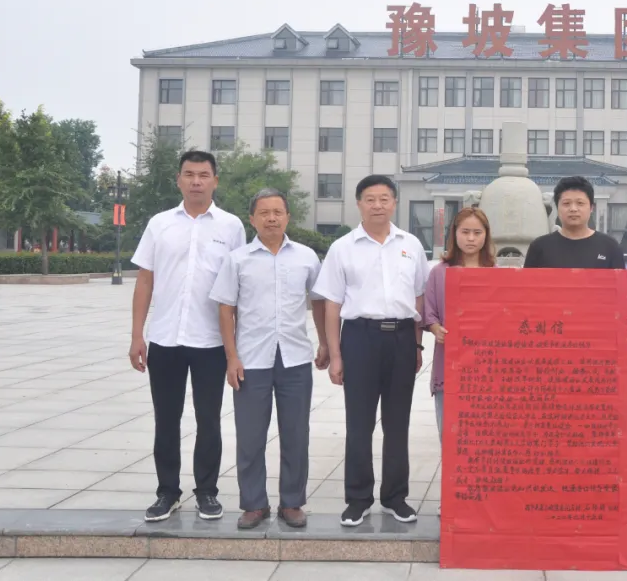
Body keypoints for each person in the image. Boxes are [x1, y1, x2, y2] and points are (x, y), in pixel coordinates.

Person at [129, 150, 246, 522]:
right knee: (166, 420)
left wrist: (235, 348)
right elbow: (144, 281)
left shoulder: (231, 227)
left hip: (211, 341)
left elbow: (239, 287)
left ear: (215, 181)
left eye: (204, 175)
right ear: (179, 179)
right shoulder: (160, 224)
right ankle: (167, 492)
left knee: (209, 420)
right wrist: (137, 336)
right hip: (165, 339)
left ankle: (207, 492)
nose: (196, 181)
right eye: (190, 174)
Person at [312, 174, 430, 527]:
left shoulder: (411, 245)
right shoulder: (343, 248)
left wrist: (417, 344)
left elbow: (419, 297)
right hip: (360, 338)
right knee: (359, 423)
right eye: (370, 199)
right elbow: (332, 304)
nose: (377, 205)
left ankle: (395, 497)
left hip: (402, 339)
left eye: (384, 198)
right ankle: (358, 498)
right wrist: (336, 355)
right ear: (359, 203)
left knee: (398, 423)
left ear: (394, 202)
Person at [208, 189, 326, 530]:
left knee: (296, 434)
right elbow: (225, 309)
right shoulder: (238, 259)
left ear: (288, 217)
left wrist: (325, 343)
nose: (271, 218)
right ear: (252, 219)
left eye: (277, 212)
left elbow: (320, 301)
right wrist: (231, 357)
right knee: (250, 436)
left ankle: (292, 502)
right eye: (264, 213)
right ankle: (254, 504)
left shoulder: (306, 257)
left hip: (295, 358)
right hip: (251, 359)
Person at [422, 207, 496, 515]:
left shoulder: (495, 274)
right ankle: (453, 498)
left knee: (485, 439)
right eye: (465, 232)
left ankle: (483, 498)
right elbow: (429, 313)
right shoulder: (439, 272)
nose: (471, 238)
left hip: (488, 370)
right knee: (451, 436)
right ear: (454, 234)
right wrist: (435, 328)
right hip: (450, 366)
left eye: (477, 232)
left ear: (486, 236)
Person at [523, 175, 626, 269]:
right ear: (557, 207)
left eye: (580, 203)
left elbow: (620, 283)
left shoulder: (610, 247)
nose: (573, 209)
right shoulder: (539, 247)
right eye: (566, 203)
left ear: (591, 208)